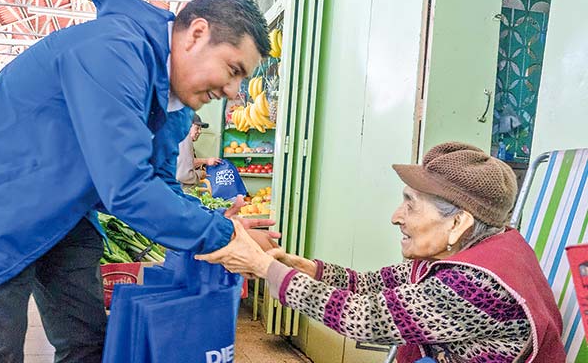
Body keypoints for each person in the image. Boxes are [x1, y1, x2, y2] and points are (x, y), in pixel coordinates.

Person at [0, 0, 278, 363]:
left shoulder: (172, 99)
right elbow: (126, 188)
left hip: (64, 216)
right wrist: (226, 237)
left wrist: (216, 223)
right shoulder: (112, 51)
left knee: (87, 342)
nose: (234, 91)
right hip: (1, 210)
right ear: (197, 34)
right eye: (233, 69)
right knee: (1, 348)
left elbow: (157, 180)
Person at [197, 142, 567, 362]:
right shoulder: (471, 252)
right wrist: (302, 266)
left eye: (411, 204)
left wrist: (264, 267)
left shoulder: (475, 286)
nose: (396, 217)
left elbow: (366, 318)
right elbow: (372, 284)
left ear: (458, 223)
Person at [177, 113, 222, 190]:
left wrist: (206, 161)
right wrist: (200, 174)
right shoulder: (185, 140)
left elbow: (184, 164)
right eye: (197, 128)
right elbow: (183, 175)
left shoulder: (178, 138)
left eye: (200, 128)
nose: (200, 132)